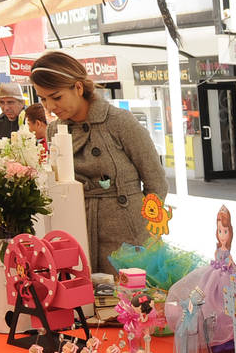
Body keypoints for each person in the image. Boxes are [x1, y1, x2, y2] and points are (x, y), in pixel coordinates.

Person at [29, 51, 167, 274]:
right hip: (78, 229)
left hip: (129, 234)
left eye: (56, 97)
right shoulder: (54, 130)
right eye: (43, 99)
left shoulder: (119, 122)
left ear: (78, 88)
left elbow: (156, 182)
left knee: (131, 293)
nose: (50, 107)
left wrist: (149, 230)